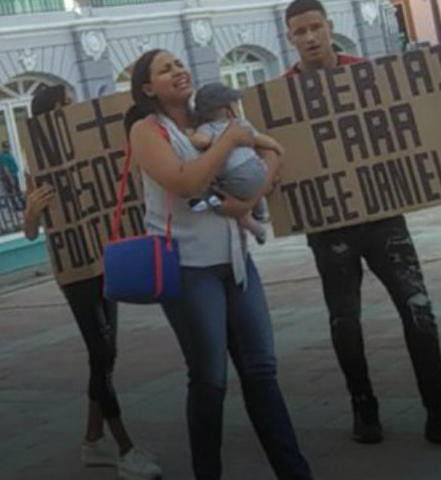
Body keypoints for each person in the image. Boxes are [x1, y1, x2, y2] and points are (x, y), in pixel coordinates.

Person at [283, 0, 441, 452]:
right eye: (300, 31)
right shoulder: (281, 95)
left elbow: (417, 121)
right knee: (345, 320)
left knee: (418, 310)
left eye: (316, 27)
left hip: (382, 217)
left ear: (329, 26)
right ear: (290, 37)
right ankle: (363, 406)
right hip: (329, 225)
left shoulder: (367, 75)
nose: (311, 37)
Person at [126, 49, 312, 480]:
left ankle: (296, 472)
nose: (178, 70)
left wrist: (249, 194)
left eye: (179, 63)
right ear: (148, 87)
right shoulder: (146, 130)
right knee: (210, 379)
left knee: (262, 369)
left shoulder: (211, 118)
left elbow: (269, 153)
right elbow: (186, 181)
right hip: (189, 271)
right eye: (165, 68)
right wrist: (230, 140)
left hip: (237, 263)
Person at [21, 84, 162, 480]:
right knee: (100, 351)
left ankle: (92, 436)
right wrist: (33, 211)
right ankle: (125, 447)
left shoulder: (98, 147)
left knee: (107, 351)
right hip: (76, 271)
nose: (74, 108)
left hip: (107, 261)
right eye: (65, 104)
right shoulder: (38, 167)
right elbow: (31, 232)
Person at [187, 82, 284, 245]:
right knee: (254, 182)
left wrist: (190, 136)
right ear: (226, 108)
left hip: (234, 178)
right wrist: (276, 145)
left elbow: (201, 141)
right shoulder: (241, 124)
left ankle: (244, 217)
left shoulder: (207, 128)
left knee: (217, 187)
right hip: (258, 170)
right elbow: (260, 138)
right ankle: (260, 212)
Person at [0, 142, 23, 209]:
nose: (9, 148)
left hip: (14, 174)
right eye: (8, 147)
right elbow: (5, 168)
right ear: (4, 147)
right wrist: (10, 178)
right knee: (12, 191)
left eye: (9, 147)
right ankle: (16, 205)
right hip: (10, 176)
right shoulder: (3, 156)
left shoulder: (9, 154)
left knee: (17, 190)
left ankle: (22, 202)